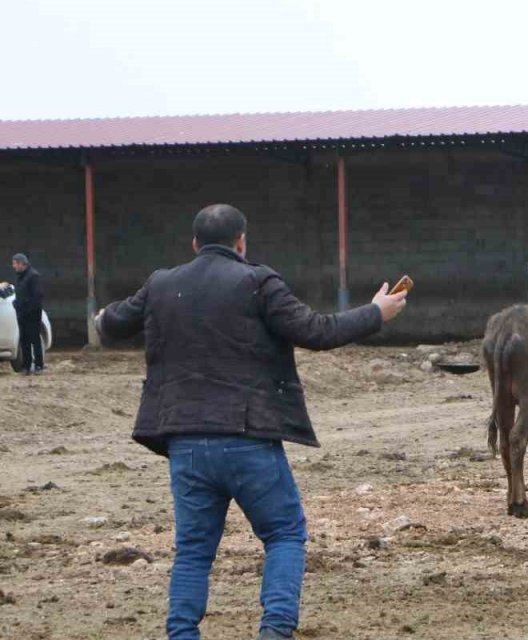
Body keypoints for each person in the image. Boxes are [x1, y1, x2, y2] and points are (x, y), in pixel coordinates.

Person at [95, 204, 408, 640]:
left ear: (194, 244)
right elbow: (317, 331)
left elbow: (112, 324)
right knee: (284, 534)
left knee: (193, 552)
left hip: (185, 443)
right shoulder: (258, 282)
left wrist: (102, 316)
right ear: (242, 242)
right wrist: (376, 312)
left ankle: (182, 634)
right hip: (247, 438)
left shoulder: (162, 283)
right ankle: (274, 632)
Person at [12, 253, 45, 375]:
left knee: (34, 339)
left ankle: (39, 365)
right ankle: (26, 366)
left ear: (22, 263)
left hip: (32, 314)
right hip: (22, 314)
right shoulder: (20, 276)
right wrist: (16, 303)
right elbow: (19, 293)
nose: (14, 266)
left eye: (15, 263)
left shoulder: (33, 276)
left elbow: (37, 297)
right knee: (24, 340)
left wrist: (27, 308)